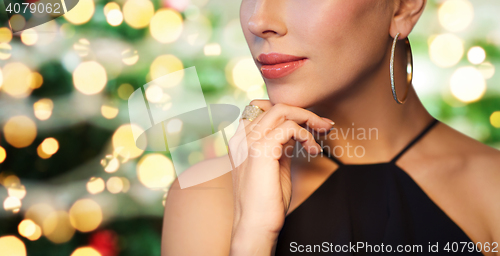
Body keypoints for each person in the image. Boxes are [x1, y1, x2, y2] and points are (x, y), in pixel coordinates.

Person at [161, 0, 500, 255]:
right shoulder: (206, 197)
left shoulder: (492, 188)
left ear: (404, 7)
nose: (259, 20)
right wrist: (251, 236)